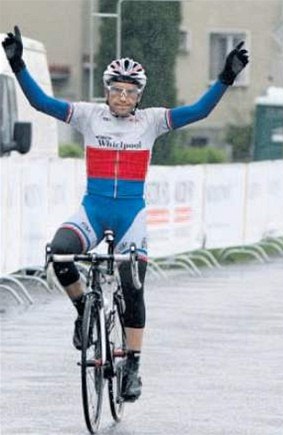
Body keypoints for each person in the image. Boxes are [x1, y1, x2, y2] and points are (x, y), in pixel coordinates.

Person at [2, 26, 248, 401]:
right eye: (116, 90)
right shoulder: (87, 115)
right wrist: (18, 64)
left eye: (129, 92)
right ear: (106, 91)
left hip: (130, 217)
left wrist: (225, 78)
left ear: (139, 96)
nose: (121, 97)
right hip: (93, 209)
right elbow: (41, 104)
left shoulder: (150, 121)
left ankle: (132, 364)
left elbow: (198, 111)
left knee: (133, 288)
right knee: (61, 251)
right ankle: (84, 305)